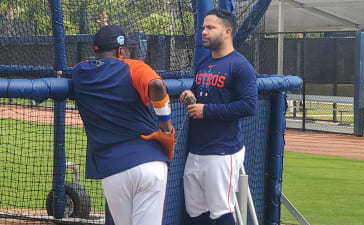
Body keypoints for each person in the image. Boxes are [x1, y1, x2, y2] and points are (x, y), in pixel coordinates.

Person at [72, 24, 175, 225]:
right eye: (126, 48)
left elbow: (84, 67)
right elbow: (156, 85)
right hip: (149, 163)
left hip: (112, 169)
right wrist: (166, 128)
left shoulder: (79, 72)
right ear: (120, 51)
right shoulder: (133, 66)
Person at [179, 8, 258, 225]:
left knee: (221, 212)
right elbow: (198, 93)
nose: (204, 32)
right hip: (196, 150)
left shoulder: (241, 66)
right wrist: (189, 95)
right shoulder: (204, 63)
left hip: (222, 151)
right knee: (194, 213)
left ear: (227, 32)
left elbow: (249, 106)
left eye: (210, 27)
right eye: (203, 27)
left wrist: (206, 110)